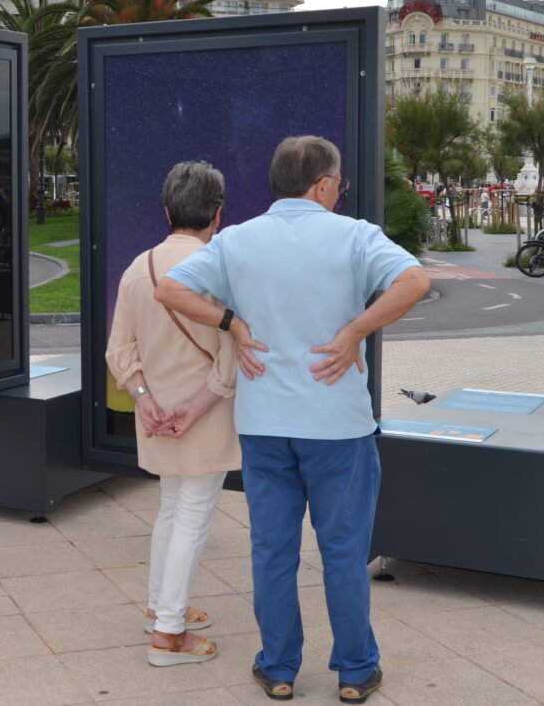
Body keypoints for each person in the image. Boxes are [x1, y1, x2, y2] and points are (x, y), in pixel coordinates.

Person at [156, 136, 430, 703]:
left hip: (264, 425)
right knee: (344, 554)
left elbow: (170, 288)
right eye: (339, 184)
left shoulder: (236, 240)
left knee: (273, 552)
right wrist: (355, 331)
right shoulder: (354, 235)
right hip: (339, 428)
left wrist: (230, 321)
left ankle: (279, 668)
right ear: (325, 184)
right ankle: (355, 673)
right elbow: (415, 282)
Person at [105, 161, 240, 668]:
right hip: (205, 414)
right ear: (217, 213)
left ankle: (161, 607)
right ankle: (168, 633)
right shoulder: (220, 268)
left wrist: (145, 400)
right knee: (193, 516)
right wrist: (200, 404)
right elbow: (232, 351)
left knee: (169, 508)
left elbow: (119, 351)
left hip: (156, 416)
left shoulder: (138, 268)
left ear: (166, 210)